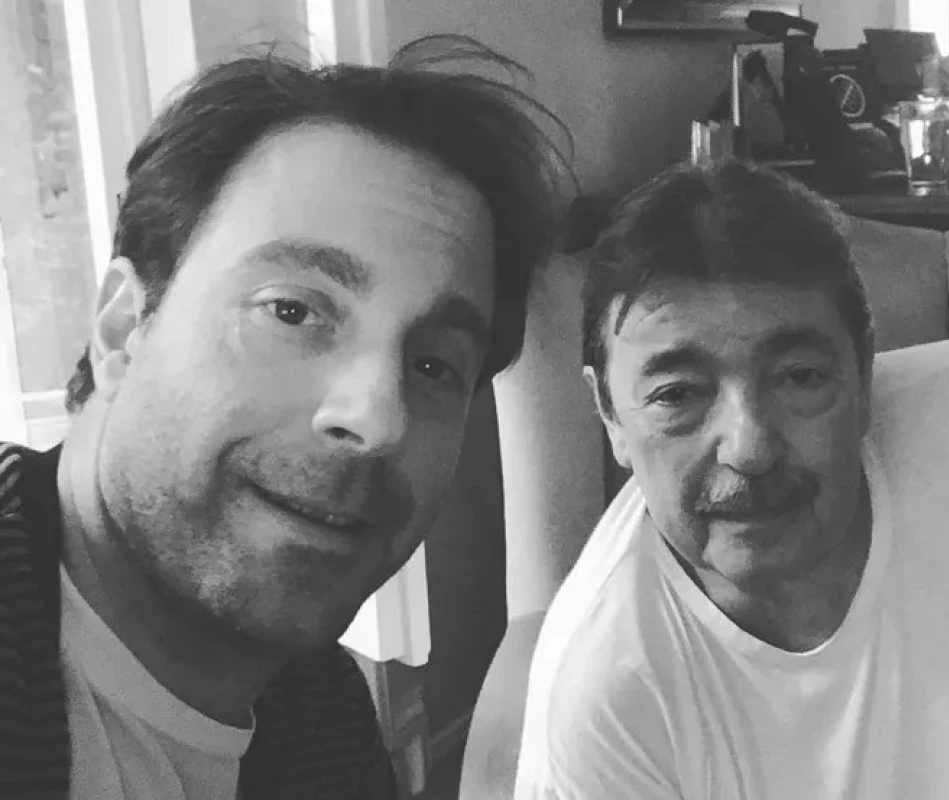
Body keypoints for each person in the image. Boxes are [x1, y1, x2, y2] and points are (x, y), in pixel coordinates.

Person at [514, 159, 949, 799]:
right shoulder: (604, 699)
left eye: (799, 377)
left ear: (863, 374)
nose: (750, 448)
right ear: (610, 414)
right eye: (677, 395)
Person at [0, 35, 568, 799]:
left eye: (435, 366)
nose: (379, 419)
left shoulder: (326, 718)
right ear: (122, 327)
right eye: (292, 312)